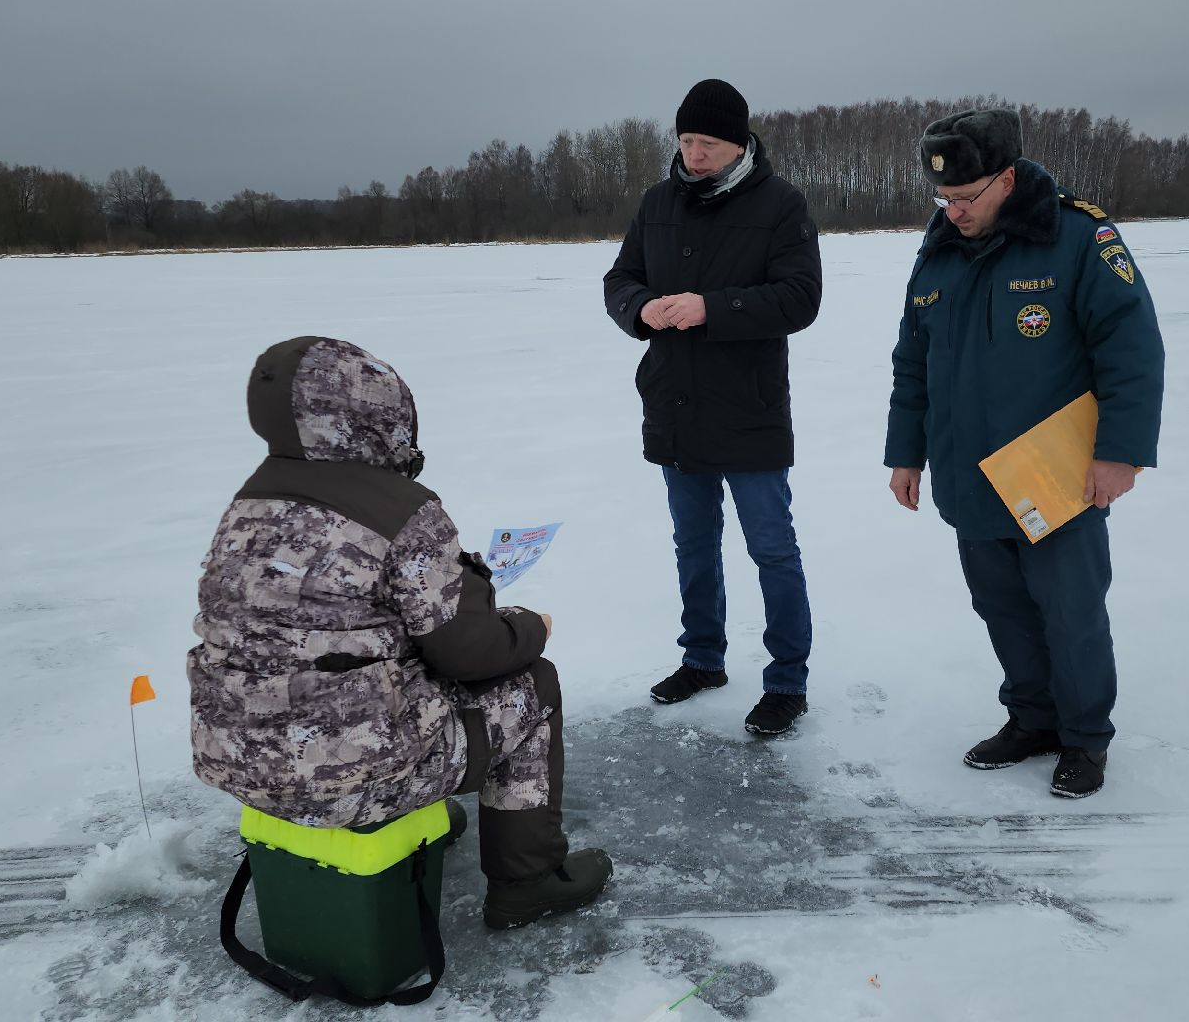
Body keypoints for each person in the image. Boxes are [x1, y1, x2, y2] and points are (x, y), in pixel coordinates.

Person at [186, 336, 610, 929]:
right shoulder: (401, 510)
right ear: (383, 413)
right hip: (342, 777)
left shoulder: (247, 505)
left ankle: (415, 808)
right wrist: (529, 628)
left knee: (391, 672)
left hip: (239, 762)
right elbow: (471, 653)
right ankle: (529, 882)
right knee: (532, 687)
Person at [883, 109, 1165, 799]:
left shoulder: (1078, 238)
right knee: (1002, 609)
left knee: (1070, 613)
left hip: (1057, 475)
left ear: (1007, 180)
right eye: (943, 200)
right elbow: (912, 363)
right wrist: (906, 453)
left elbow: (1131, 350)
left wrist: (1120, 453)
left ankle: (1084, 737)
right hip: (970, 475)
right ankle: (1032, 719)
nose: (953, 212)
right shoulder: (938, 251)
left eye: (967, 198)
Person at [603, 78, 823, 736]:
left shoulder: (780, 205)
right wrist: (639, 308)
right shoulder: (657, 202)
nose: (694, 154)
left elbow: (800, 298)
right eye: (686, 140)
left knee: (772, 550)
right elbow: (621, 279)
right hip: (675, 403)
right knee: (693, 547)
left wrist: (712, 307)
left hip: (748, 407)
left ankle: (787, 680)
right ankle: (702, 659)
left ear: (739, 143)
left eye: (708, 143)